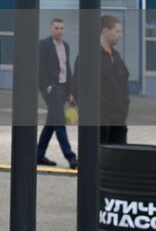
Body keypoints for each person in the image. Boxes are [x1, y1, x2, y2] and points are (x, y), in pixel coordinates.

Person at [77, 15, 130, 145]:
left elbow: (123, 84)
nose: (120, 35)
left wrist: (123, 107)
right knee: (99, 157)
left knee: (118, 156)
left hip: (118, 120)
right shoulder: (88, 56)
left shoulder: (116, 57)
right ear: (105, 31)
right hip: (100, 122)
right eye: (117, 31)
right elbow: (78, 87)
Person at [37, 18, 77, 168]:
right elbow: (39, 66)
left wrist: (71, 92)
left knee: (52, 123)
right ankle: (71, 157)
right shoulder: (44, 45)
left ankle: (38, 155)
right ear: (51, 29)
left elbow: (67, 69)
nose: (59, 31)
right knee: (59, 121)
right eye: (56, 28)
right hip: (51, 89)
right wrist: (46, 85)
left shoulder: (65, 46)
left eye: (61, 28)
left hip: (63, 89)